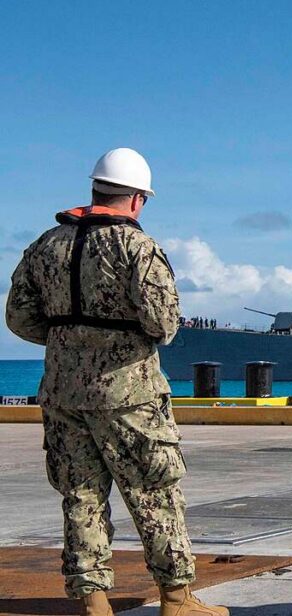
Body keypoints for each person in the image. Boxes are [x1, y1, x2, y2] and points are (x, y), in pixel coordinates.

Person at [5, 148, 227, 616]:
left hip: (63, 391)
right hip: (130, 394)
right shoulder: (137, 248)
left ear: (95, 188)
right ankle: (176, 599)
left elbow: (19, 317)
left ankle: (93, 602)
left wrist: (70, 340)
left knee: (80, 497)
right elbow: (163, 323)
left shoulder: (45, 245)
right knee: (155, 493)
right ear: (138, 199)